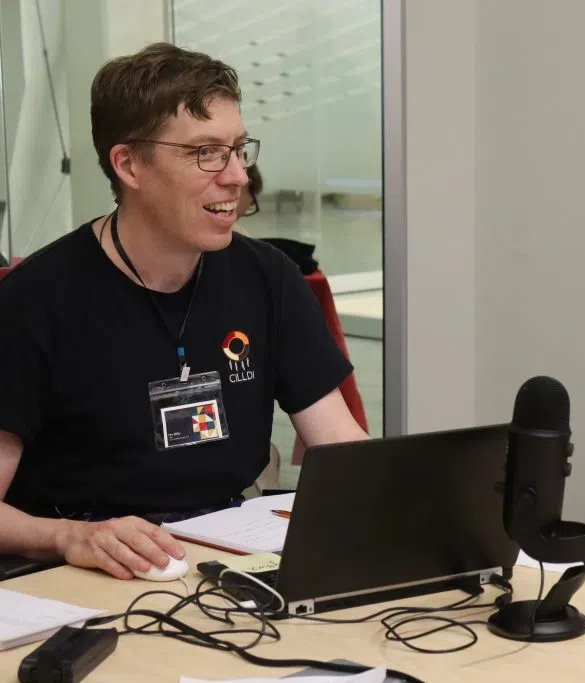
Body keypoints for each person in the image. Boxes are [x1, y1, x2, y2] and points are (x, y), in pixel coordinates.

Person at [0, 43, 368, 580]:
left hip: (225, 552)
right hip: (81, 568)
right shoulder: (35, 300)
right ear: (129, 164)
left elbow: (342, 451)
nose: (238, 176)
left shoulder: (267, 277)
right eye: (206, 152)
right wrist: (72, 538)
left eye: (240, 149)